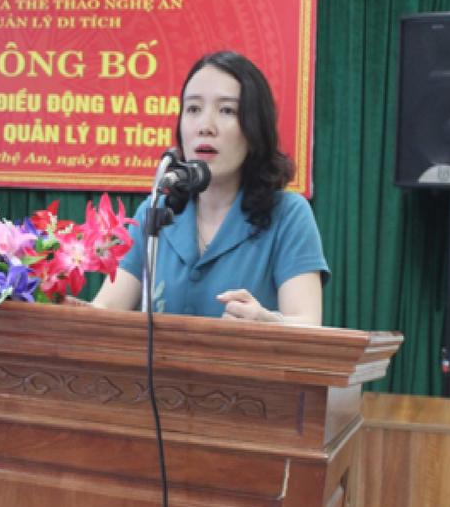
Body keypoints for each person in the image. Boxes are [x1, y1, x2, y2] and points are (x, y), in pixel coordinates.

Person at [92, 50, 328, 325]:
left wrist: (267, 323)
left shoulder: (287, 214)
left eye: (227, 110)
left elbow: (308, 323)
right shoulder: (156, 211)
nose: (205, 126)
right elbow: (105, 309)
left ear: (254, 128)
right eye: (193, 109)